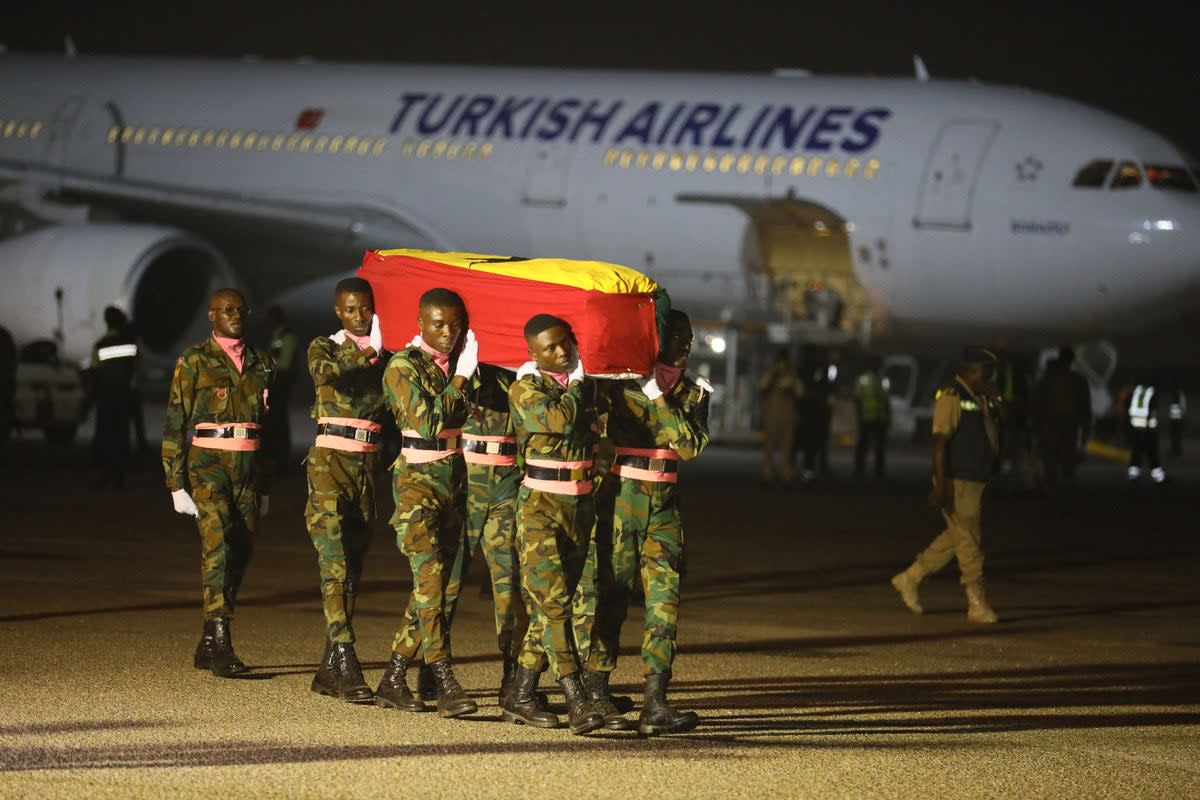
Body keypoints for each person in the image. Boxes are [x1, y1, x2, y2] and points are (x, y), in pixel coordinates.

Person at [587, 309, 710, 736]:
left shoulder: (694, 393)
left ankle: (655, 700)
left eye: (689, 338)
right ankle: (596, 689)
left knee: (665, 601)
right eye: (676, 337)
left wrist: (659, 397)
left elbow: (691, 446)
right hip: (622, 499)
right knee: (612, 595)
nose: (685, 345)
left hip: (664, 507)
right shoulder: (622, 389)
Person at [376, 287, 477, 718]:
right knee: (431, 582)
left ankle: (394, 677)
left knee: (443, 586)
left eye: (455, 324)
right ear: (420, 323)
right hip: (416, 481)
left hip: (453, 479)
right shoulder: (402, 365)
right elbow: (431, 419)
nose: (448, 333)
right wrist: (462, 377)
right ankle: (444, 677)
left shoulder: (455, 361)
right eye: (438, 323)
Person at [162, 288, 274, 677]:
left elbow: (270, 429)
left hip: (247, 466)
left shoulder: (262, 362)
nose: (235, 316)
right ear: (212, 316)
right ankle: (223, 640)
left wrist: (264, 486)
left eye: (241, 310)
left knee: (241, 551)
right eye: (227, 311)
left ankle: (209, 637)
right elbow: (175, 421)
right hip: (208, 464)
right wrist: (175, 483)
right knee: (218, 545)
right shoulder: (194, 360)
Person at [504, 313, 606, 735]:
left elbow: (602, 439)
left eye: (565, 342)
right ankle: (576, 696)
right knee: (556, 606)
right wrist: (582, 384)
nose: (562, 352)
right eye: (550, 347)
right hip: (540, 508)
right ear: (532, 353)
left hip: (579, 506)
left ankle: (521, 693)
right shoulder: (525, 389)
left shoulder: (588, 388)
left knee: (553, 609)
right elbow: (561, 420)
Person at [304, 278, 388, 703]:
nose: (360, 316)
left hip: (367, 467)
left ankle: (328, 668)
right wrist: (372, 348)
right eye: (351, 310)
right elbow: (326, 374)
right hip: (329, 465)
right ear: (339, 311)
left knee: (352, 567)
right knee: (333, 561)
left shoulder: (385, 357)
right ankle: (347, 658)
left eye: (366, 309)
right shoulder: (326, 347)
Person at [439, 360, 530, 706]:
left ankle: (513, 672)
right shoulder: (462, 365)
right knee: (449, 579)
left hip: (506, 482)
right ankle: (434, 666)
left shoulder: (520, 370)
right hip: (467, 478)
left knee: (509, 583)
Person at [891, 346, 1002, 624]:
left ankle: (910, 578)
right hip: (958, 479)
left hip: (976, 480)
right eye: (988, 373)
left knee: (956, 538)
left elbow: (999, 426)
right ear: (975, 370)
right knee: (970, 543)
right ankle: (977, 602)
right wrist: (941, 485)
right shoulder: (953, 396)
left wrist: (995, 399)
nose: (990, 379)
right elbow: (939, 443)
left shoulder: (980, 396)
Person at [88, 306, 140, 489]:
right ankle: (119, 477)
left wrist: (92, 398)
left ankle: (106, 474)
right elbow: (135, 371)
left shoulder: (99, 345)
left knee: (106, 436)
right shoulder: (130, 345)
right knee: (122, 436)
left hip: (106, 397)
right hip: (125, 396)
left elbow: (94, 373)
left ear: (106, 322)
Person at [1032, 346, 1092, 497]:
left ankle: (1052, 491)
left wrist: (1035, 426)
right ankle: (1064, 491)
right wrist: (1085, 433)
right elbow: (1085, 408)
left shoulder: (1048, 379)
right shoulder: (1076, 380)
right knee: (1066, 460)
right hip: (1067, 426)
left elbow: (1036, 403)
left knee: (1050, 459)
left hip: (1050, 425)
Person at [262, 305, 300, 474]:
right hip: (275, 385)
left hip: (281, 386)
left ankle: (282, 461)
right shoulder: (277, 335)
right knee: (275, 423)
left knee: (278, 423)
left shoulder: (287, 336)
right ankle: (277, 460)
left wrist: (267, 362)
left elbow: (285, 363)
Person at [758, 349, 801, 487]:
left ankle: (785, 472)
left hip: (787, 415)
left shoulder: (792, 376)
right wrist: (773, 376)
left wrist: (791, 383)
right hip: (772, 415)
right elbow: (762, 386)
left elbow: (800, 392)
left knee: (787, 446)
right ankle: (767, 472)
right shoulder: (771, 376)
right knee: (770, 446)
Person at [853, 358, 891, 479]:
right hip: (874, 417)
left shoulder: (874, 380)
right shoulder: (876, 380)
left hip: (871, 417)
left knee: (869, 445)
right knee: (873, 445)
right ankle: (872, 469)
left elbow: (858, 399)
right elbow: (886, 401)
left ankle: (864, 468)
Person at [1126, 379, 1166, 485]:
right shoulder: (1152, 392)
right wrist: (1149, 425)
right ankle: (1158, 478)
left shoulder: (1138, 390)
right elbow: (1151, 409)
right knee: (1152, 453)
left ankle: (1133, 476)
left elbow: (1128, 407)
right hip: (1148, 429)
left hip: (1136, 427)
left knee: (1136, 452)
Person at [1166, 384, 1187, 458]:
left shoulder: (1177, 395)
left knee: (1176, 436)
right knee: (1175, 436)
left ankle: (1176, 451)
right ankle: (1175, 450)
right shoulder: (1179, 395)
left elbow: (1180, 408)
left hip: (1176, 420)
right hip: (1176, 419)